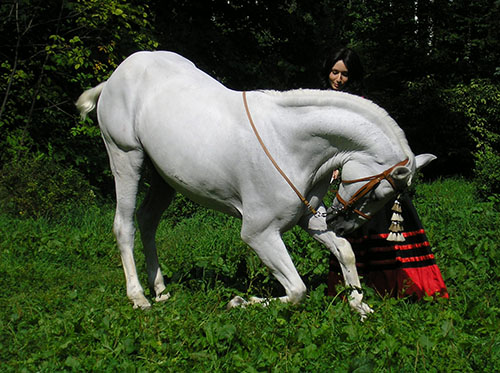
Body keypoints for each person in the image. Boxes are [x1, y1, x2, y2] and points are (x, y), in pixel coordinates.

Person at [323, 47, 448, 299]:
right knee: (350, 228)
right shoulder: (323, 101)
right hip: (350, 179)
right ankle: (349, 288)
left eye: (344, 74)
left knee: (380, 227)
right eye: (334, 72)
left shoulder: (362, 106)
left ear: (353, 76)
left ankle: (395, 287)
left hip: (368, 177)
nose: (338, 79)